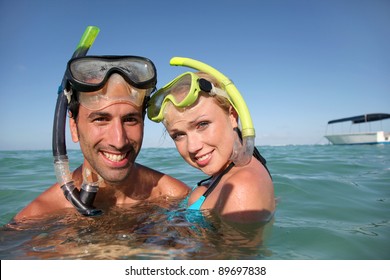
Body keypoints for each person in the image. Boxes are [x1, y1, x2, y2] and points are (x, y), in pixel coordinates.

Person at [14, 55, 189, 221]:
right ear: (74, 127)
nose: (118, 141)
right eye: (101, 119)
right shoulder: (35, 218)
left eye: (130, 119)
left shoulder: (175, 197)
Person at [147, 59, 275, 224]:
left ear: (232, 116)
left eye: (202, 124)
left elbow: (236, 250)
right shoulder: (228, 173)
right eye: (178, 135)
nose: (193, 147)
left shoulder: (241, 188)